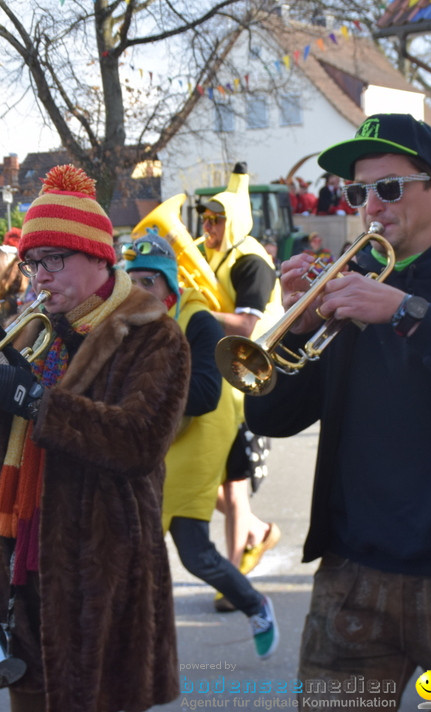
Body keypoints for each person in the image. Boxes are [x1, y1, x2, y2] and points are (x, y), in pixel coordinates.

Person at [245, 113, 431, 706]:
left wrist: (407, 313)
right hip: (352, 574)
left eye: (389, 188)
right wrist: (293, 330)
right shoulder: (345, 285)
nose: (371, 207)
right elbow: (271, 420)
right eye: (358, 192)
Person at [0, 164, 188, 711]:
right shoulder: (35, 328)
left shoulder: (152, 334)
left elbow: (139, 442)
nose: (39, 276)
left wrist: (33, 399)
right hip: (22, 562)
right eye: (33, 263)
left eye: (53, 260)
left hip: (102, 563)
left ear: (98, 257)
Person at [123, 233, 278, 660]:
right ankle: (138, 640)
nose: (139, 291)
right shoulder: (134, 323)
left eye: (148, 281)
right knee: (135, 546)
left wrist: (143, 399)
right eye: (131, 281)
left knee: (193, 552)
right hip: (160, 438)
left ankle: (256, 606)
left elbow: (207, 392)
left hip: (202, 434)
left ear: (169, 286)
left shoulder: (197, 320)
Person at [195, 167, 282, 611]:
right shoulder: (207, 254)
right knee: (194, 477)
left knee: (231, 483)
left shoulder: (251, 260)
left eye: (216, 220)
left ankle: (231, 576)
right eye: (204, 219)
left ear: (234, 222)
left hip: (248, 380)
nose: (207, 228)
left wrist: (194, 314)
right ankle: (257, 531)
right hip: (217, 377)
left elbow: (247, 325)